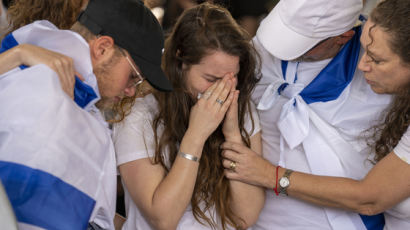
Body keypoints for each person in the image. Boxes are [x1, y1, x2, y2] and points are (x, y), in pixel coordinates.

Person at [222, 0, 410, 229]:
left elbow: (370, 198)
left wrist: (267, 174)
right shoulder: (259, 54)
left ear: (344, 37)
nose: (363, 65)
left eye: (376, 59)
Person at [0, 0, 172, 229]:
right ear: (102, 48)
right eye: (133, 76)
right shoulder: (40, 84)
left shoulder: (86, 109)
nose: (131, 90)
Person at [113, 3, 264, 229]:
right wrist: (196, 135)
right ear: (181, 60)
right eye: (212, 79)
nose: (221, 91)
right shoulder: (139, 115)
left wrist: (232, 134)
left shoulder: (240, 106)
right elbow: (163, 219)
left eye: (230, 79)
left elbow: (246, 215)